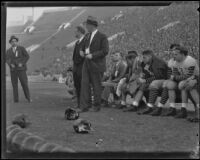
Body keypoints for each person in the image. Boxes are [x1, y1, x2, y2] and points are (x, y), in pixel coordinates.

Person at [77, 16, 109, 112]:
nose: (86, 26)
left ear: (91, 25)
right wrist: (81, 52)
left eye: (87, 25)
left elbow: (105, 51)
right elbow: (82, 48)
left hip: (97, 64)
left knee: (96, 86)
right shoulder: (87, 36)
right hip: (87, 64)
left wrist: (93, 55)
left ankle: (96, 106)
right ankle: (84, 106)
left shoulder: (102, 37)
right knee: (84, 85)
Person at [164, 45, 199, 119]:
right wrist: (176, 78)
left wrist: (176, 78)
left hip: (197, 79)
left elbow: (188, 76)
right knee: (182, 85)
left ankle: (198, 110)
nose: (174, 56)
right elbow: (175, 75)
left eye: (176, 54)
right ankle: (183, 110)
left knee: (188, 86)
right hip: (188, 80)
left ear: (182, 54)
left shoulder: (189, 61)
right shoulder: (175, 62)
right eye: (173, 54)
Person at [6, 35, 31, 103]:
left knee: (24, 84)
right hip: (13, 70)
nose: (14, 43)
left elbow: (27, 56)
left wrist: (22, 63)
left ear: (17, 42)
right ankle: (16, 100)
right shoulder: (8, 51)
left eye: (15, 41)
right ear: (10, 43)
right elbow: (7, 59)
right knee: (14, 85)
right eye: (12, 41)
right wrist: (10, 64)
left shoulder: (21, 48)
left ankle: (28, 98)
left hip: (21, 69)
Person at [72, 26, 86, 108]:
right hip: (76, 67)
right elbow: (74, 56)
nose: (75, 33)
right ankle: (79, 103)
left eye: (76, 31)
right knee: (77, 85)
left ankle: (83, 104)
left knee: (82, 86)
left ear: (80, 32)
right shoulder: (77, 42)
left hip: (83, 67)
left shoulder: (86, 42)